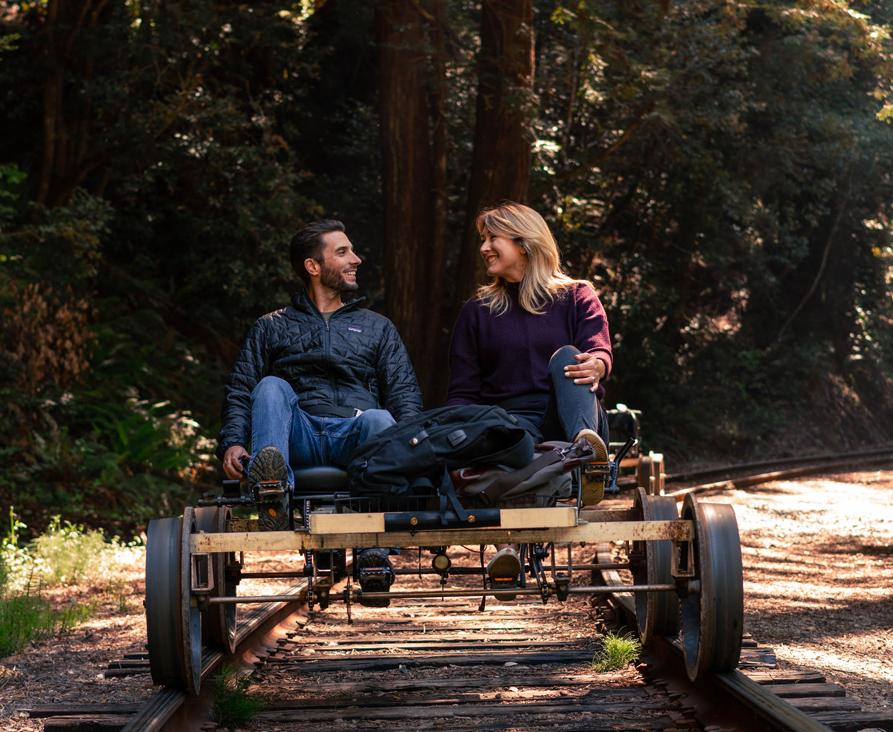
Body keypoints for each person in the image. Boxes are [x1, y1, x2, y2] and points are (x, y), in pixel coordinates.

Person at [219, 219, 423, 527]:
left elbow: (404, 394)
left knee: (380, 418)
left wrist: (414, 451)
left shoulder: (377, 326)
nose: (356, 260)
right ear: (313, 266)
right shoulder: (271, 325)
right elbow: (240, 389)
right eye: (343, 252)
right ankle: (272, 500)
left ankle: (376, 547)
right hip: (298, 433)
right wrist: (233, 442)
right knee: (270, 385)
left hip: (356, 433)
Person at [447, 202, 613, 526]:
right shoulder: (477, 311)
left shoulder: (578, 295)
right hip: (511, 426)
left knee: (568, 355)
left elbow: (598, 351)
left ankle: (586, 452)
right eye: (482, 239)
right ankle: (508, 547)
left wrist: (598, 365)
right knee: (510, 441)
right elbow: (462, 393)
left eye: (493, 237)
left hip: (571, 417)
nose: (484, 248)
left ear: (524, 244)